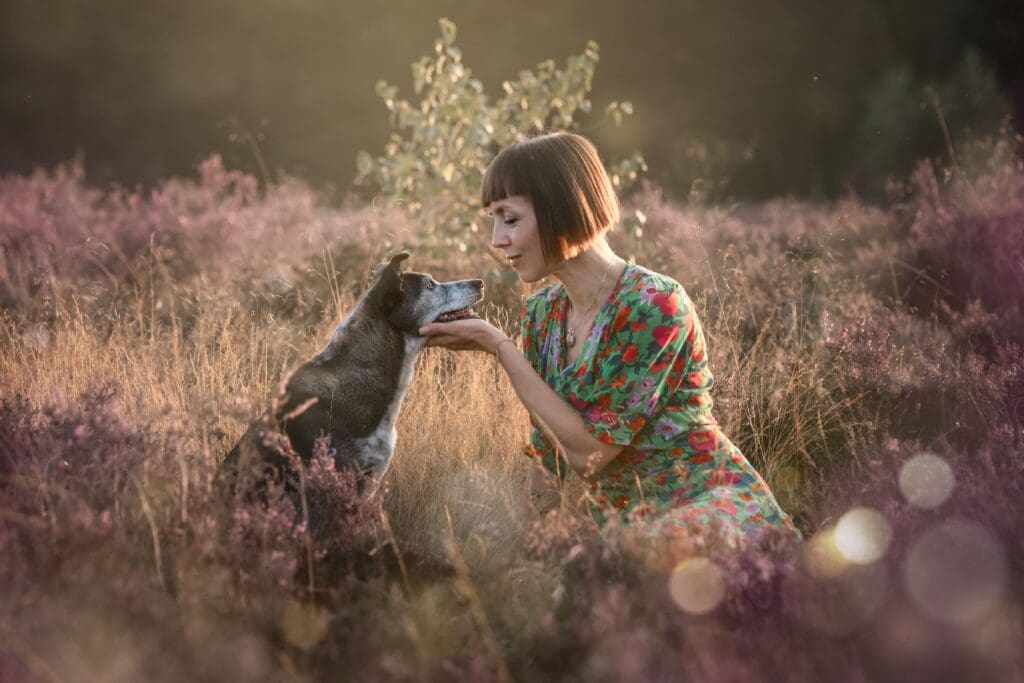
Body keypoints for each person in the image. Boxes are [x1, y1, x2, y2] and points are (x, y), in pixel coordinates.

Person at [419, 131, 800, 546]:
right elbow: (551, 458)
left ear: (561, 209)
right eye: (493, 220)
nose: (497, 240)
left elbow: (589, 455)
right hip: (633, 540)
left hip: (713, 517)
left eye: (510, 219)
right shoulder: (543, 313)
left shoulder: (653, 304)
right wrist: (531, 556)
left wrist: (498, 346)